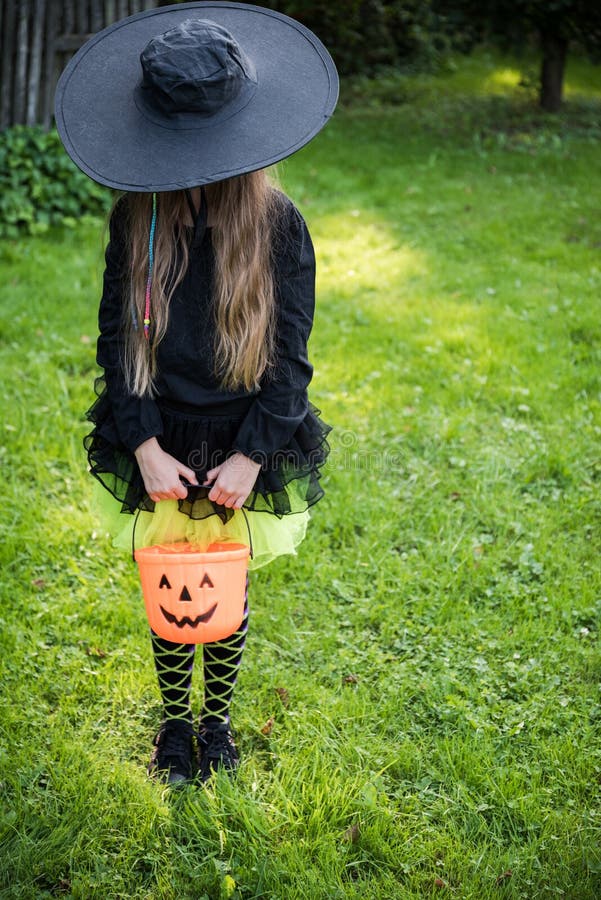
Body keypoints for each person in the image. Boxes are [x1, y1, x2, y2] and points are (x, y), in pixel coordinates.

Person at [54, 3, 338, 784]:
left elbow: (290, 361)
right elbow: (119, 339)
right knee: (172, 588)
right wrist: (141, 443)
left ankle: (217, 722)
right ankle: (175, 724)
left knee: (222, 588)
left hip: (241, 433)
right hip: (161, 433)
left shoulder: (279, 226)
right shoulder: (135, 217)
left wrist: (253, 455)